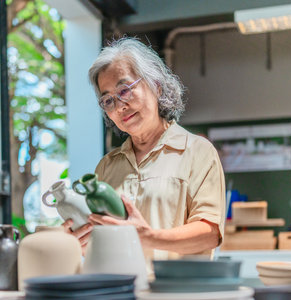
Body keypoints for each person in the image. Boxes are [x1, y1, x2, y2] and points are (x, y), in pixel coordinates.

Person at [63, 37, 225, 261]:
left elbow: (209, 234)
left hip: (175, 292)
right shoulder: (107, 166)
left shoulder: (198, 152)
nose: (120, 106)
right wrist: (80, 241)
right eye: (108, 101)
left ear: (156, 86)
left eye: (125, 90)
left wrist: (148, 237)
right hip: (120, 291)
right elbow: (99, 245)